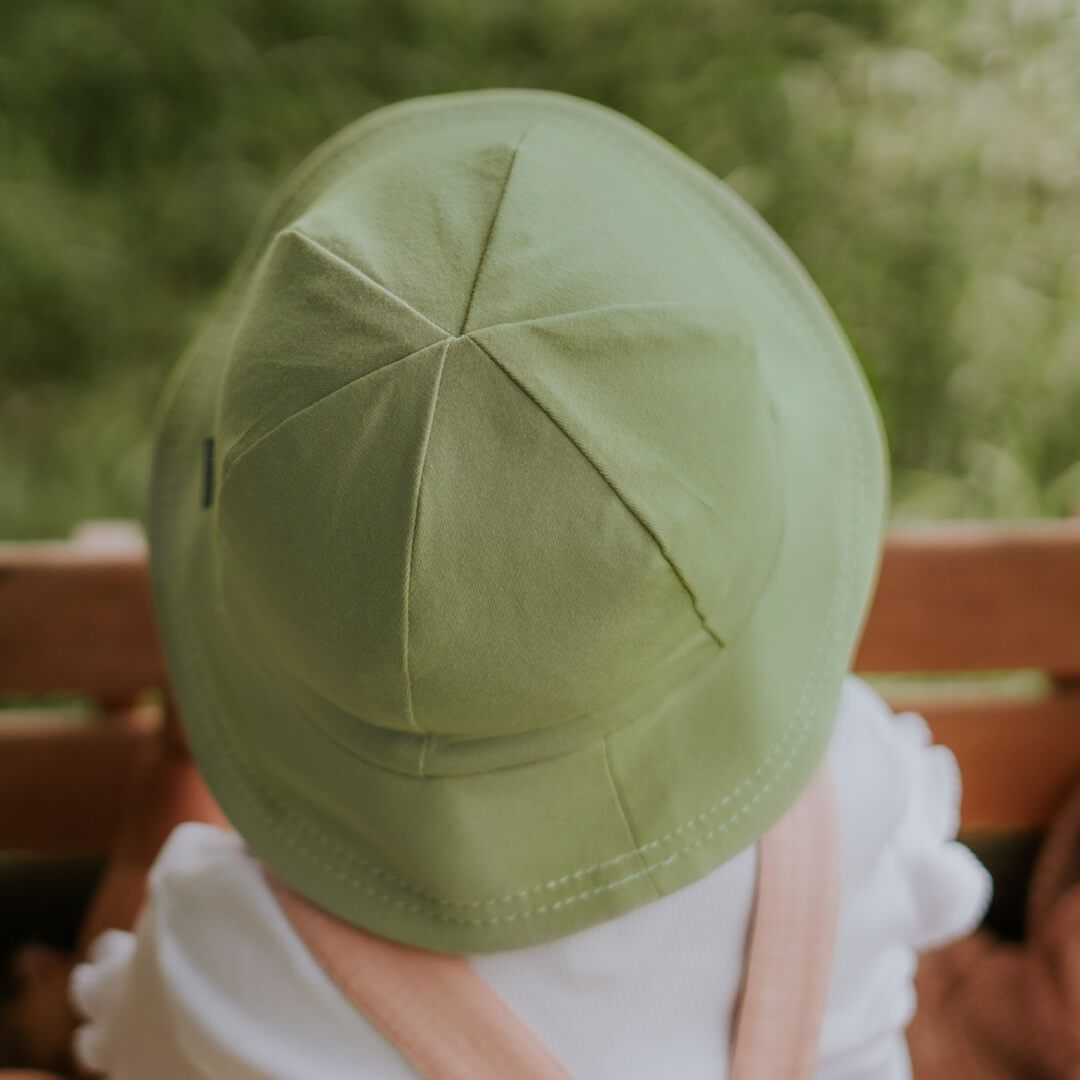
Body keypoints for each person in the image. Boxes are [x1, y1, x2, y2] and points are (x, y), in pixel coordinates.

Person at [66, 88, 991, 1079]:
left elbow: (105, 1043)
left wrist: (173, 775)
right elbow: (939, 913)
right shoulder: (854, 789)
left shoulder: (232, 955)